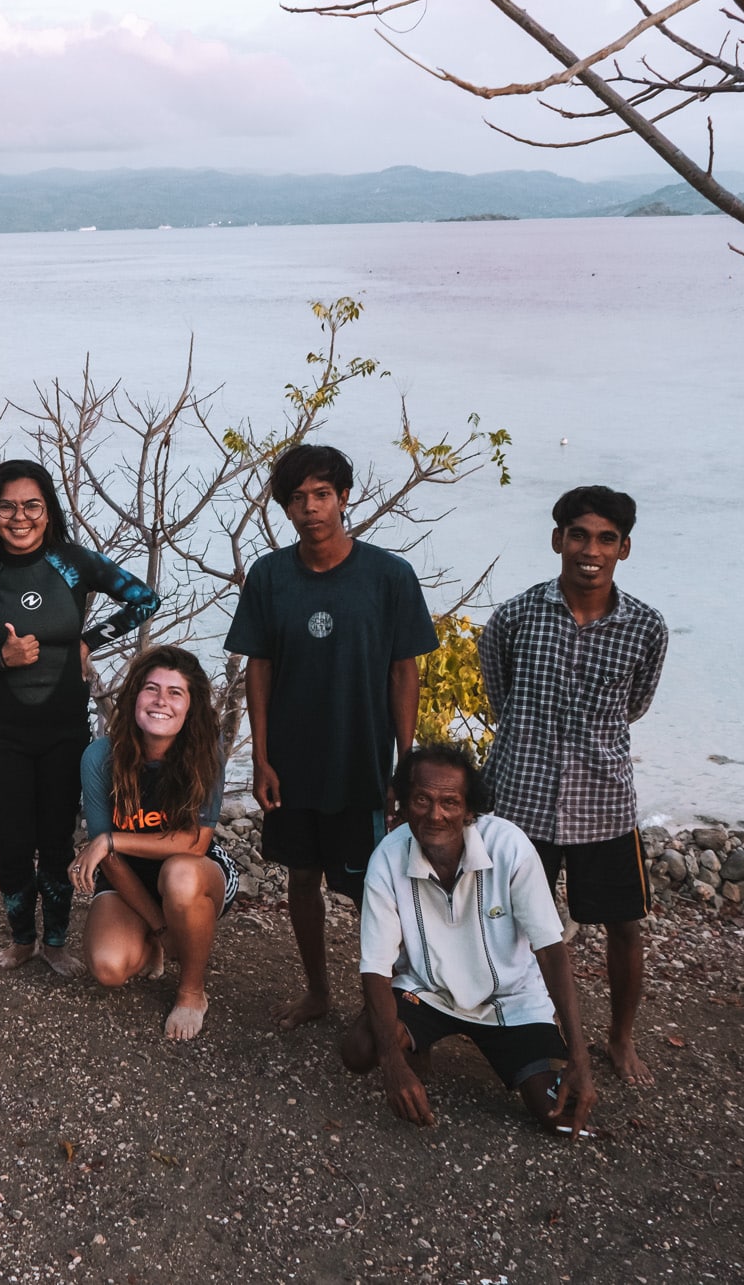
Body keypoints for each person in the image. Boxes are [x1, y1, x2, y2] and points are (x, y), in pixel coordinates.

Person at [224, 444, 437, 1029]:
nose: (311, 507)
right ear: (285, 508)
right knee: (300, 878)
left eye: (322, 495)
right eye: (298, 498)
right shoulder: (270, 576)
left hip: (360, 759)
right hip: (292, 762)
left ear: (345, 498)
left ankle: (388, 1005)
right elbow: (259, 667)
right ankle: (317, 990)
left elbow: (404, 669)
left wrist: (405, 761)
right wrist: (262, 758)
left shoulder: (388, 575)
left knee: (375, 888)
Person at [478, 485, 669, 1085]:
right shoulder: (514, 617)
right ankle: (509, 1027)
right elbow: (499, 695)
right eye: (580, 535)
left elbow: (634, 705)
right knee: (503, 923)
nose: (592, 549)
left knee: (624, 925)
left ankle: (619, 1037)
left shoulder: (645, 627)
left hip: (604, 806)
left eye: (607, 539)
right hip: (518, 801)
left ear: (625, 548)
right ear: (558, 539)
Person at [0, 459, 158, 974]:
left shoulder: (73, 563)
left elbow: (143, 600)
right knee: (14, 844)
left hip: (64, 732)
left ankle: (57, 941)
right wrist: (0, 660)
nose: (21, 517)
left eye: (32, 505)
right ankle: (22, 940)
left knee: (57, 842)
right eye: (8, 506)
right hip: (1, 735)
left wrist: (88, 640)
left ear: (48, 511)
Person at [343, 744, 598, 1135]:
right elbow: (376, 967)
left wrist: (579, 1055)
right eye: (422, 800)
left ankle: (518, 1052)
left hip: (510, 998)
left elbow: (549, 950)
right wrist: (393, 1069)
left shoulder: (510, 847)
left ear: (470, 809)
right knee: (359, 1052)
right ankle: (417, 1046)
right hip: (428, 992)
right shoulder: (386, 860)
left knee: (560, 1118)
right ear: (404, 804)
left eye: (449, 802)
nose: (435, 814)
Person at [71, 646, 240, 1041]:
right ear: (134, 698)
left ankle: (192, 991)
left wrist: (111, 840)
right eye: (151, 689)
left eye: (175, 692)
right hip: (127, 872)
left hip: (194, 870)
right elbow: (108, 859)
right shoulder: (100, 757)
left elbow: (196, 843)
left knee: (180, 874)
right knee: (108, 968)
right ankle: (158, 940)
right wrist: (161, 928)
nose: (161, 700)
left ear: (191, 705)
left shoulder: (204, 751)